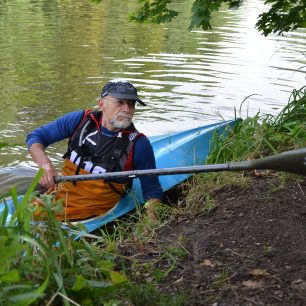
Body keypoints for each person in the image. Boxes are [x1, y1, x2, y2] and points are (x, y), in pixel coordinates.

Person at [26, 79, 163, 221]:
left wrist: (151, 227)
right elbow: (36, 137)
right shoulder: (79, 121)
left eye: (131, 104)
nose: (127, 109)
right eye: (120, 102)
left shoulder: (139, 145)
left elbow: (152, 191)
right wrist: (44, 164)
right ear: (101, 104)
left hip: (94, 213)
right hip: (61, 197)